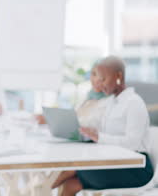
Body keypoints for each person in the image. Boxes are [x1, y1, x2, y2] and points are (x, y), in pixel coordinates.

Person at [51, 56, 153, 196]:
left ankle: (38, 190)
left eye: (103, 79)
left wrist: (100, 137)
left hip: (136, 167)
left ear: (118, 76)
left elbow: (133, 144)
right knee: (71, 183)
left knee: (70, 170)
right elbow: (98, 129)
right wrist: (87, 133)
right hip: (114, 161)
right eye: (98, 78)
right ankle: (39, 190)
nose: (100, 83)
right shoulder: (111, 102)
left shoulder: (134, 103)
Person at [36, 61, 109, 129]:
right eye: (93, 74)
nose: (96, 79)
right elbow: (75, 118)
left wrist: (50, 121)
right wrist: (50, 119)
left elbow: (86, 124)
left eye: (101, 76)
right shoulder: (89, 96)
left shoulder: (108, 102)